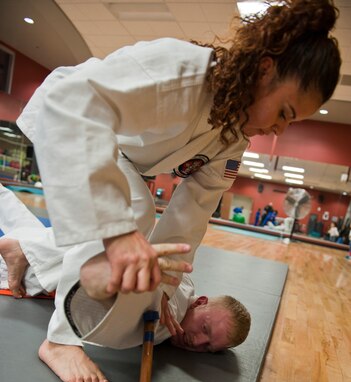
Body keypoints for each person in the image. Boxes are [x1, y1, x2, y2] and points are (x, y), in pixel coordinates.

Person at [16, 0, 341, 303]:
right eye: (284, 112)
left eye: (291, 122)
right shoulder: (182, 71)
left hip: (119, 152)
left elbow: (192, 213)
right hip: (68, 118)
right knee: (132, 215)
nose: (280, 131)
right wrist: (117, 235)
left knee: (136, 219)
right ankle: (60, 340)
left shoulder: (233, 139)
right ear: (264, 70)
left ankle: (22, 252)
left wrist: (166, 294)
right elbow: (74, 101)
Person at [0, 185, 251, 382]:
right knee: (125, 230)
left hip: (55, 255)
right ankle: (24, 249)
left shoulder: (182, 288)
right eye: (204, 328)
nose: (196, 341)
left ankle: (24, 245)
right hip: (41, 276)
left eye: (208, 347)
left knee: (21, 222)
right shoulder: (169, 316)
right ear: (200, 302)